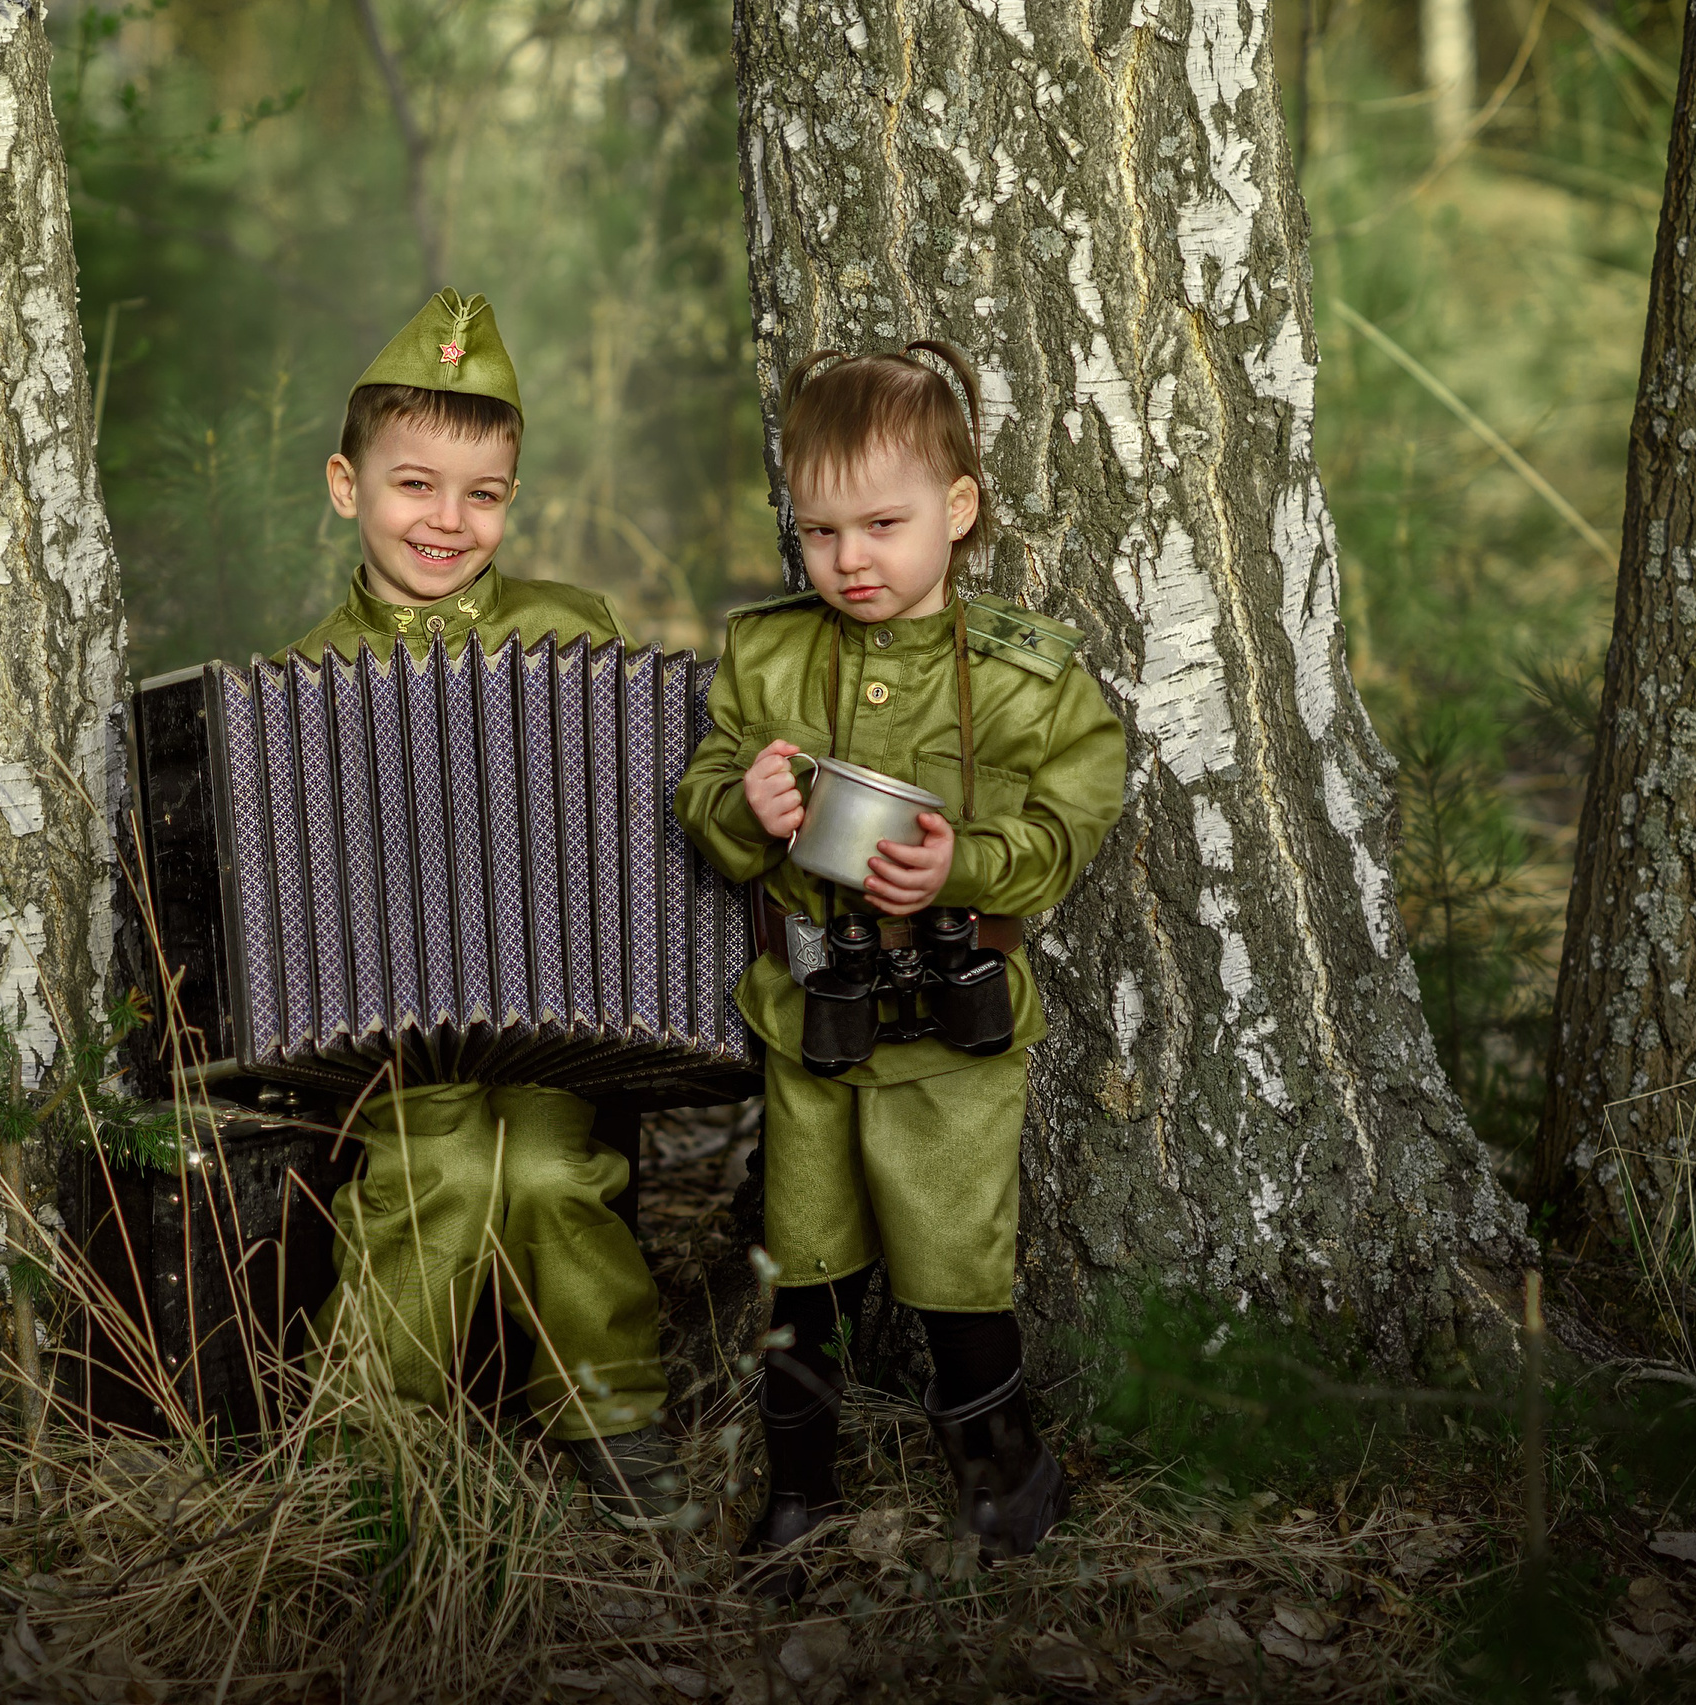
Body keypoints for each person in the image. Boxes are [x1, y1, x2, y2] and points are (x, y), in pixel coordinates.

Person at [673, 344, 1126, 1588]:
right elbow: (706, 786)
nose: (850, 558)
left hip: (950, 1026)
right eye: (819, 531)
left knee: (953, 1261)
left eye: (884, 523)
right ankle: (798, 1491)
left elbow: (1068, 824)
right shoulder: (766, 656)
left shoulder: (1032, 677)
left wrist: (961, 866)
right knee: (803, 1259)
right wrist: (743, 806)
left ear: (958, 508)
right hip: (807, 1018)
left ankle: (1002, 1476)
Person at [286, 290, 683, 1526]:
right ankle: (369, 1437)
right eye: (414, 486)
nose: (447, 522)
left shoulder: (572, 629)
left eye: (483, 494)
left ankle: (613, 1416)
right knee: (440, 1170)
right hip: (399, 1031)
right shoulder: (308, 677)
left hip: (556, 1012)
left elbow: (632, 813)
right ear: (347, 487)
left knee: (555, 1171)